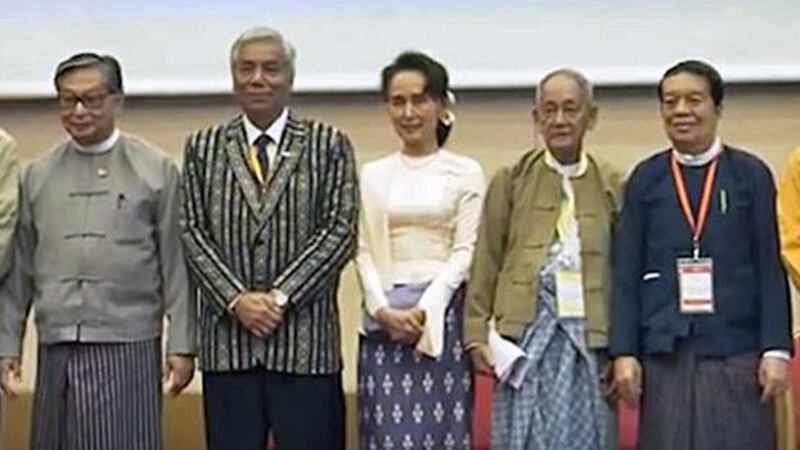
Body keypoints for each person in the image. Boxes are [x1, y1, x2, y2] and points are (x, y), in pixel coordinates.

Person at [0, 53, 195, 450]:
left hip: (129, 344)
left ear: (117, 100)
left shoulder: (154, 169)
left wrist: (182, 345)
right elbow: (19, 271)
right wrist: (7, 345)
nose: (78, 111)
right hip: (57, 345)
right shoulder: (37, 174)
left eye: (91, 99)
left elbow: (177, 265)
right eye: (67, 100)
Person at [181, 26, 358, 450]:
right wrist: (237, 301)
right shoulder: (203, 147)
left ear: (290, 78)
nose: (258, 78)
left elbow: (340, 231)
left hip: (305, 347)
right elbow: (190, 230)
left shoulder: (328, 144)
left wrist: (279, 298)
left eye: (270, 69)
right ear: (233, 78)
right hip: (229, 346)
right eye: (247, 69)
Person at [611, 60, 792, 450]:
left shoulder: (750, 174)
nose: (681, 111)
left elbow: (769, 267)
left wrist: (776, 349)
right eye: (670, 101)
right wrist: (624, 351)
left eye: (693, 100)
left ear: (717, 108)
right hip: (665, 352)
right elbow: (625, 272)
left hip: (736, 351)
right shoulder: (646, 178)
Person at [464, 68, 622, 449]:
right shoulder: (512, 180)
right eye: (548, 110)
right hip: (525, 337)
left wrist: (625, 350)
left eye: (571, 109)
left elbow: (627, 272)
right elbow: (486, 259)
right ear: (536, 119)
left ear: (591, 116)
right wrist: (474, 335)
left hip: (590, 340)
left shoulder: (613, 183)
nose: (559, 120)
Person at [356, 51, 484, 450]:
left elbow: (466, 250)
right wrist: (382, 311)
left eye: (420, 99)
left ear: (442, 106)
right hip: (383, 327)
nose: (409, 112)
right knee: (386, 437)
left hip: (441, 323)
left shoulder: (466, 171)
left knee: (442, 436)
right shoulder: (372, 174)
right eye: (398, 101)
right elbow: (361, 251)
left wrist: (427, 309)